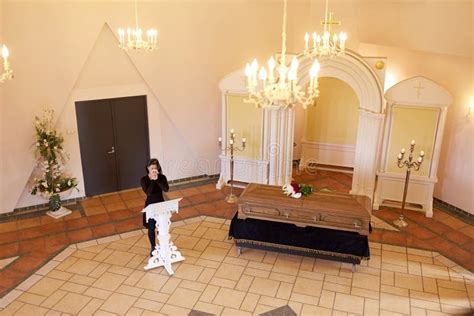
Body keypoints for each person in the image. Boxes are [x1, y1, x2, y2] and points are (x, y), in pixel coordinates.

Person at [140, 158, 169, 257]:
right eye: (152, 168)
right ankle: (153, 246)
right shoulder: (144, 179)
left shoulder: (162, 177)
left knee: (161, 227)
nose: (153, 170)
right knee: (151, 227)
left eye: (155, 168)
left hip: (161, 205)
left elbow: (166, 189)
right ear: (148, 168)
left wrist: (157, 179)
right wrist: (152, 180)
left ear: (158, 168)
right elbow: (148, 192)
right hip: (150, 206)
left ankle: (163, 246)